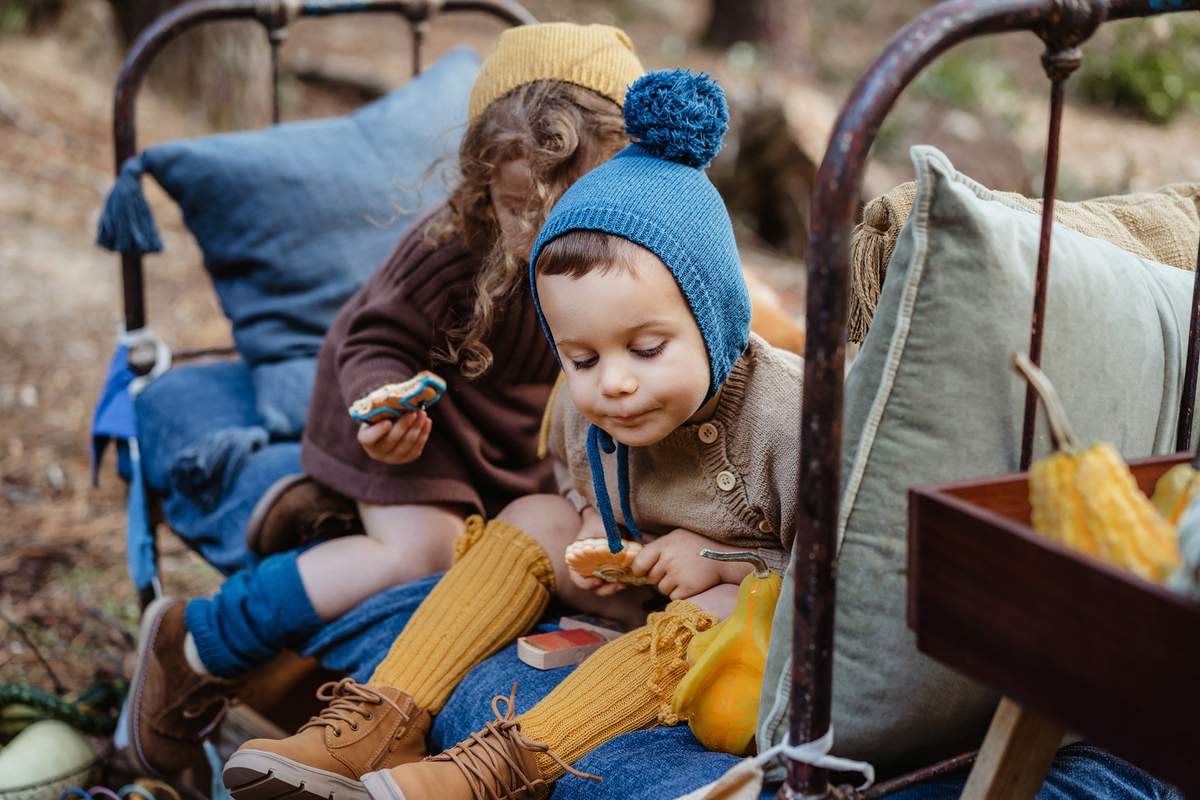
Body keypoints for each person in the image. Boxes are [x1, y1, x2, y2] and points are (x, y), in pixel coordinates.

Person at [223, 69, 802, 800]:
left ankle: (503, 767)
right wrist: (597, 524)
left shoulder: (786, 417)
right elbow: (576, 480)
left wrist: (722, 563)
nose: (612, 383)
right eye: (582, 357)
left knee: (711, 610)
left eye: (646, 349)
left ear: (715, 317)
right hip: (640, 581)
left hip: (748, 607)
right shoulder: (581, 403)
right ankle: (382, 718)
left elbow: (838, 577)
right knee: (535, 516)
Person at [125, 23, 646, 779]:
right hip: (410, 422)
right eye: (517, 205)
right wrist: (381, 412)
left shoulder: (633, 257)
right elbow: (372, 340)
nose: (542, 232)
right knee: (420, 554)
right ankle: (199, 640)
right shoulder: (456, 254)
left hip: (517, 444)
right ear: (481, 189)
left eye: (577, 200)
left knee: (562, 560)